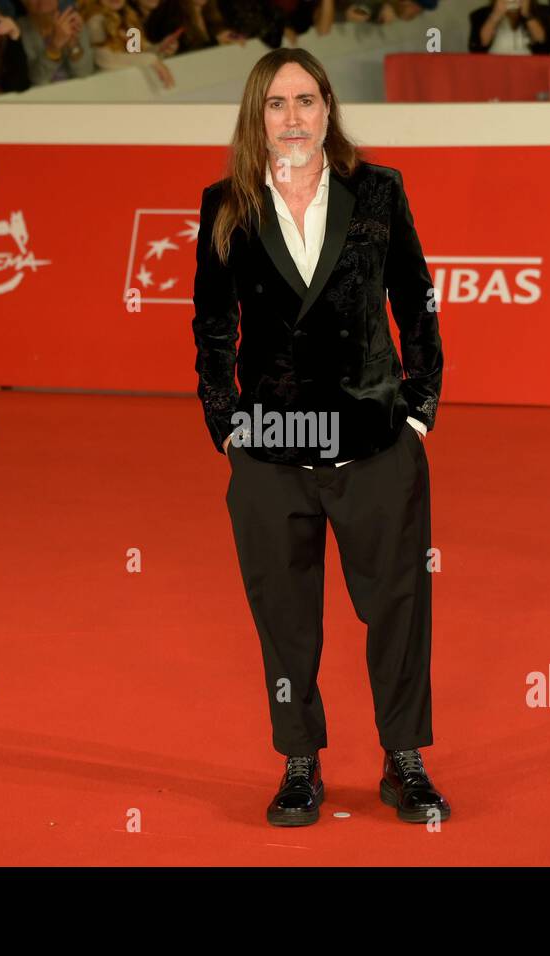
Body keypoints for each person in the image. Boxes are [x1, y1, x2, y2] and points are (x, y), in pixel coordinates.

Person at [192, 48, 448, 827]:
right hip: (271, 453)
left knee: (399, 610)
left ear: (328, 110)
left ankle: (404, 761)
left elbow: (418, 299)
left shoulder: (377, 192)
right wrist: (225, 424)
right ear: (257, 118)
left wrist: (417, 406)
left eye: (307, 100)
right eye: (277, 104)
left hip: (373, 446)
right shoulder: (226, 204)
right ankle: (300, 764)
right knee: (286, 617)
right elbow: (212, 325)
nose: (293, 117)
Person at [20, 0, 94, 85]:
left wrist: (73, 44)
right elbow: (37, 80)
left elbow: (85, 73)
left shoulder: (72, 20)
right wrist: (54, 47)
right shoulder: (18, 31)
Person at [469, 0, 550, 54]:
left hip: (529, 70)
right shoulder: (481, 15)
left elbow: (543, 43)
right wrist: (495, 16)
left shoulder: (544, 13)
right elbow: (480, 45)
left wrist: (527, 14)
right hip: (494, 69)